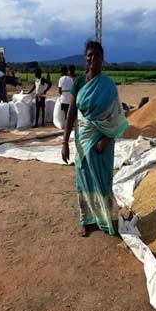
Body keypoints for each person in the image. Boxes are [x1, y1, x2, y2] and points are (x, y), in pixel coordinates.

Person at [61, 41, 128, 237]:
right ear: (85, 57)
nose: (92, 59)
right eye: (89, 55)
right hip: (83, 139)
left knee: (102, 178)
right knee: (84, 179)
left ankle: (104, 218)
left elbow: (117, 116)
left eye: (96, 56)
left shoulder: (108, 85)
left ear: (102, 58)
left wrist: (107, 138)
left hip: (103, 142)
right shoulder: (79, 83)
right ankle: (87, 220)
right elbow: (71, 114)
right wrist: (64, 143)